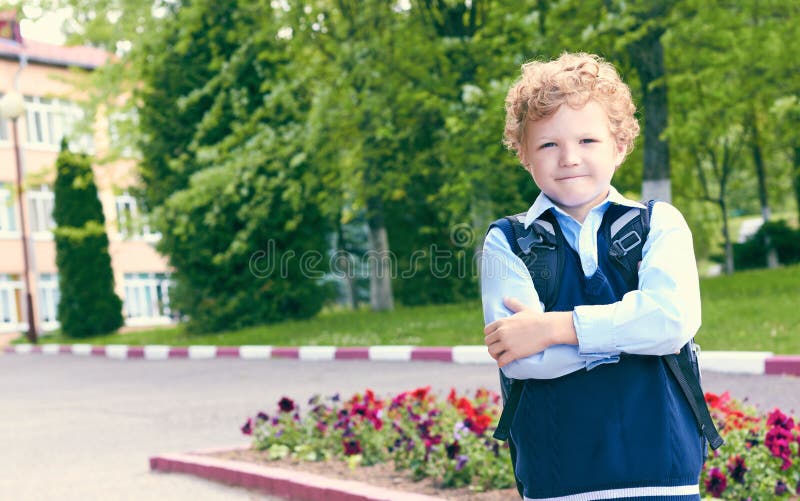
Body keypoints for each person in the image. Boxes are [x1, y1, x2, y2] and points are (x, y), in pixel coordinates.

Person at [480, 52, 705, 500]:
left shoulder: (659, 223)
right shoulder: (507, 241)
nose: (568, 158)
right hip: (558, 474)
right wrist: (631, 338)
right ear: (524, 154)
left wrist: (554, 329)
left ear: (619, 145)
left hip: (663, 469)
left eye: (587, 140)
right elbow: (522, 358)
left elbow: (672, 322)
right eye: (548, 145)